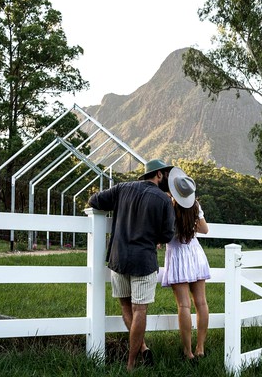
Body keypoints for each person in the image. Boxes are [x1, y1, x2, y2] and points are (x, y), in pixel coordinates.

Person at [87, 158, 175, 371]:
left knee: (126, 306)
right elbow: (167, 234)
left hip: (118, 258)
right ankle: (131, 363)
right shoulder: (163, 200)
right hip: (143, 261)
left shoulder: (122, 189)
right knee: (140, 310)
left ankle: (142, 348)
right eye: (165, 174)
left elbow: (94, 200)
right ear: (159, 175)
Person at [161, 166, 210, 362]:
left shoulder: (169, 208)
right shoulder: (195, 207)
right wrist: (193, 223)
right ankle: (200, 348)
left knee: (184, 306)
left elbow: (165, 235)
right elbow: (205, 229)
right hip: (195, 253)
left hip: (178, 256)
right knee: (201, 303)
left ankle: (187, 351)